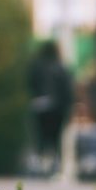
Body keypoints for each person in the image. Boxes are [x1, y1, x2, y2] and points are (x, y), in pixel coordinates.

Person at [27, 40, 73, 176]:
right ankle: (55, 165)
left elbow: (30, 83)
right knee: (56, 137)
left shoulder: (36, 66)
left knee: (40, 136)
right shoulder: (61, 67)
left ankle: (40, 163)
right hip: (58, 108)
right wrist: (68, 109)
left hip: (39, 105)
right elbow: (67, 90)